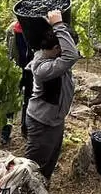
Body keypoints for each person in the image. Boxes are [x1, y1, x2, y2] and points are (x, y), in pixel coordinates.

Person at [24, 10, 80, 183]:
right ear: (57, 49)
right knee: (34, 166)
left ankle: (42, 190)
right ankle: (25, 193)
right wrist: (58, 25)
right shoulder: (44, 68)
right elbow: (72, 56)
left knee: (49, 162)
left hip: (54, 120)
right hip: (42, 123)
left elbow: (68, 51)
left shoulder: (53, 56)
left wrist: (53, 27)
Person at [0, 20, 34, 146]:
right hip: (15, 70)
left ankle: (26, 129)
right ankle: (5, 132)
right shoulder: (11, 30)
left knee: (30, 99)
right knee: (10, 101)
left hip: (32, 70)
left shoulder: (37, 28)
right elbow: (6, 51)